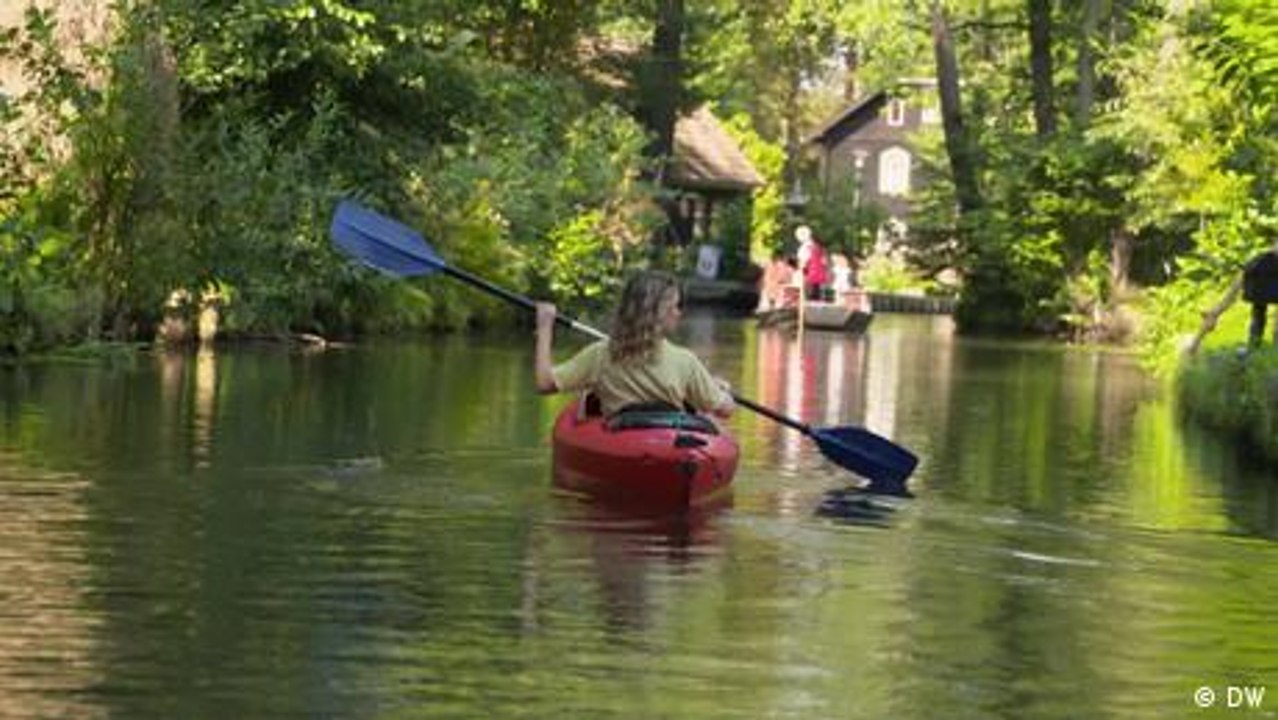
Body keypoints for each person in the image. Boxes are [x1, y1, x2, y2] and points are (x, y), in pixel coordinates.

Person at [534, 270, 735, 419]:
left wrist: (545, 328)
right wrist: (722, 391)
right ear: (658, 313)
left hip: (619, 442)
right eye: (674, 307)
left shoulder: (600, 355)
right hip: (669, 444)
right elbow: (725, 410)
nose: (678, 313)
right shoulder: (685, 361)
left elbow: (545, 384)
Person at [795, 225, 828, 300]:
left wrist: (801, 269)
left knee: (809, 292)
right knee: (816, 290)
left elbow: (804, 261)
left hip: (809, 273)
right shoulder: (818, 247)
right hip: (818, 273)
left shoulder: (805, 247)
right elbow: (824, 262)